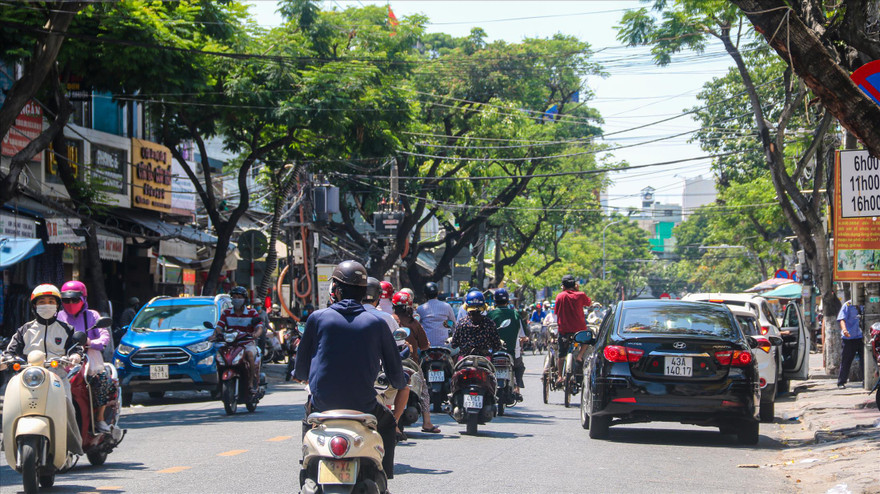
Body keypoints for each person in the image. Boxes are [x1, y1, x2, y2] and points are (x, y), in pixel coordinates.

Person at [294, 260, 407, 478]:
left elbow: (300, 370)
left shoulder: (317, 319)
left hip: (322, 404)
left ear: (335, 290)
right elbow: (396, 372)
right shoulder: (376, 324)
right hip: (363, 405)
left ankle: (308, 466)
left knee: (307, 420)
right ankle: (385, 477)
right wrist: (399, 382)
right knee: (388, 424)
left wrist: (302, 376)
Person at [2, 284, 84, 455]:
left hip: (57, 378)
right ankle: (7, 440)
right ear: (34, 306)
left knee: (67, 404)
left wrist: (75, 356)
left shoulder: (66, 329)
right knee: (12, 405)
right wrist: (5, 360)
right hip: (28, 378)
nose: (46, 305)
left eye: (50, 301)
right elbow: (10, 351)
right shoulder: (24, 329)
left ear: (57, 305)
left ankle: (72, 444)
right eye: (42, 302)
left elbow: (76, 348)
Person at [391, 290, 440, 434]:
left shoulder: (390, 320)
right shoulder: (415, 323)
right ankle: (427, 423)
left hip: (393, 362)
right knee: (424, 391)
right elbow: (425, 345)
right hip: (412, 363)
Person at [214, 286, 263, 393]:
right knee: (218, 357)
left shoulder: (252, 312)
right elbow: (219, 327)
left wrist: (256, 334)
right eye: (234, 297)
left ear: (244, 299)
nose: (236, 299)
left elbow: (259, 327)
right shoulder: (226, 312)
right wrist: (214, 335)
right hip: (230, 344)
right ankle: (218, 385)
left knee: (250, 355)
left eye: (239, 297)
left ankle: (251, 383)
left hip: (247, 343)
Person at [57, 280, 111, 361]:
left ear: (84, 299)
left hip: (87, 361)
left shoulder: (92, 315)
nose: (71, 303)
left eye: (75, 300)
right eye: (66, 300)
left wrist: (89, 342)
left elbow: (104, 336)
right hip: (62, 360)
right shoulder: (57, 316)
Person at [488, 288, 526, 397]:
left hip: (492, 353)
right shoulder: (515, 314)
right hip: (513, 354)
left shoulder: (490, 315)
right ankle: (517, 387)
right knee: (519, 366)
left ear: (495, 301)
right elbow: (523, 335)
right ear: (508, 300)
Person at [554, 275, 592, 385]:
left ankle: (560, 376)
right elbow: (588, 302)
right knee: (588, 339)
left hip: (564, 330)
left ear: (563, 286)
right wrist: (578, 290)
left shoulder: (560, 296)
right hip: (579, 331)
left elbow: (556, 312)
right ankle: (580, 356)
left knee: (561, 354)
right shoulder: (580, 295)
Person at [450, 291, 502, 358]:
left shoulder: (461, 323)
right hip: (484, 361)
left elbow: (454, 344)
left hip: (465, 360)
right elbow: (497, 346)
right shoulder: (489, 323)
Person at [416, 282, 456, 347]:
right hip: (444, 346)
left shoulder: (420, 309)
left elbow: (417, 327)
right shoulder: (447, 306)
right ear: (437, 293)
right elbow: (453, 324)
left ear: (425, 295)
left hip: (427, 346)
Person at [837, 299, 864, 389]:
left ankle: (866, 380)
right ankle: (841, 382)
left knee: (865, 361)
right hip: (849, 338)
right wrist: (844, 330)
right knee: (846, 361)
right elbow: (842, 319)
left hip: (862, 337)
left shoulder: (866, 303)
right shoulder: (847, 305)